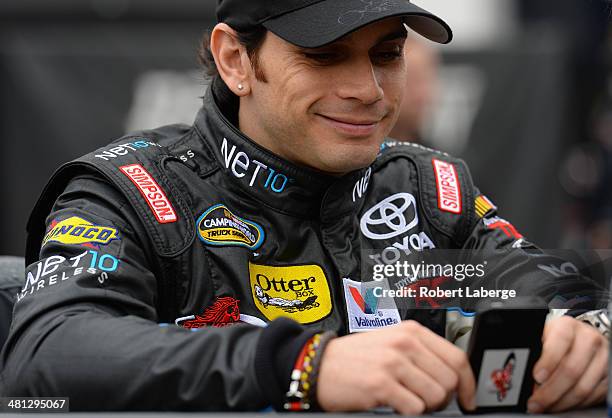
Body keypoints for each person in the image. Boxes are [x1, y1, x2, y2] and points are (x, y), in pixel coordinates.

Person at [0, 0, 608, 414]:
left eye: (386, 55)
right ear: (236, 59)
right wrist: (304, 367)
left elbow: (526, 281)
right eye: (324, 56)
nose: (367, 90)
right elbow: (45, 359)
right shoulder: (134, 194)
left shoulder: (423, 188)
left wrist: (576, 334)